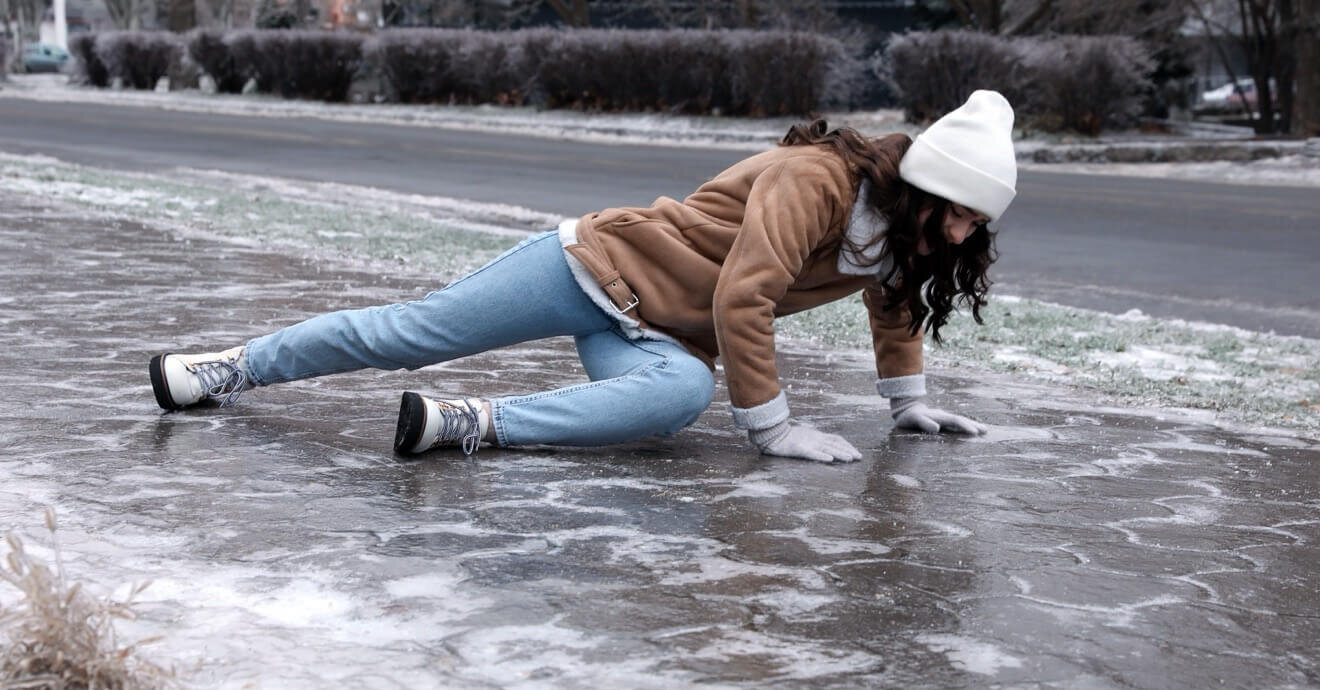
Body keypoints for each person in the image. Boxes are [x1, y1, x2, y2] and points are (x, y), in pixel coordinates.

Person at [149, 90, 1017, 464]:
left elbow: (895, 299)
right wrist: (774, 429)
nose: (965, 232)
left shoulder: (903, 234)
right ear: (921, 187)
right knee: (410, 334)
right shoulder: (817, 181)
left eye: (979, 222)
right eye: (961, 212)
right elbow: (745, 294)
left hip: (659, 333)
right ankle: (228, 368)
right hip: (592, 266)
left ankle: (468, 424)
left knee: (676, 399)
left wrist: (906, 403)